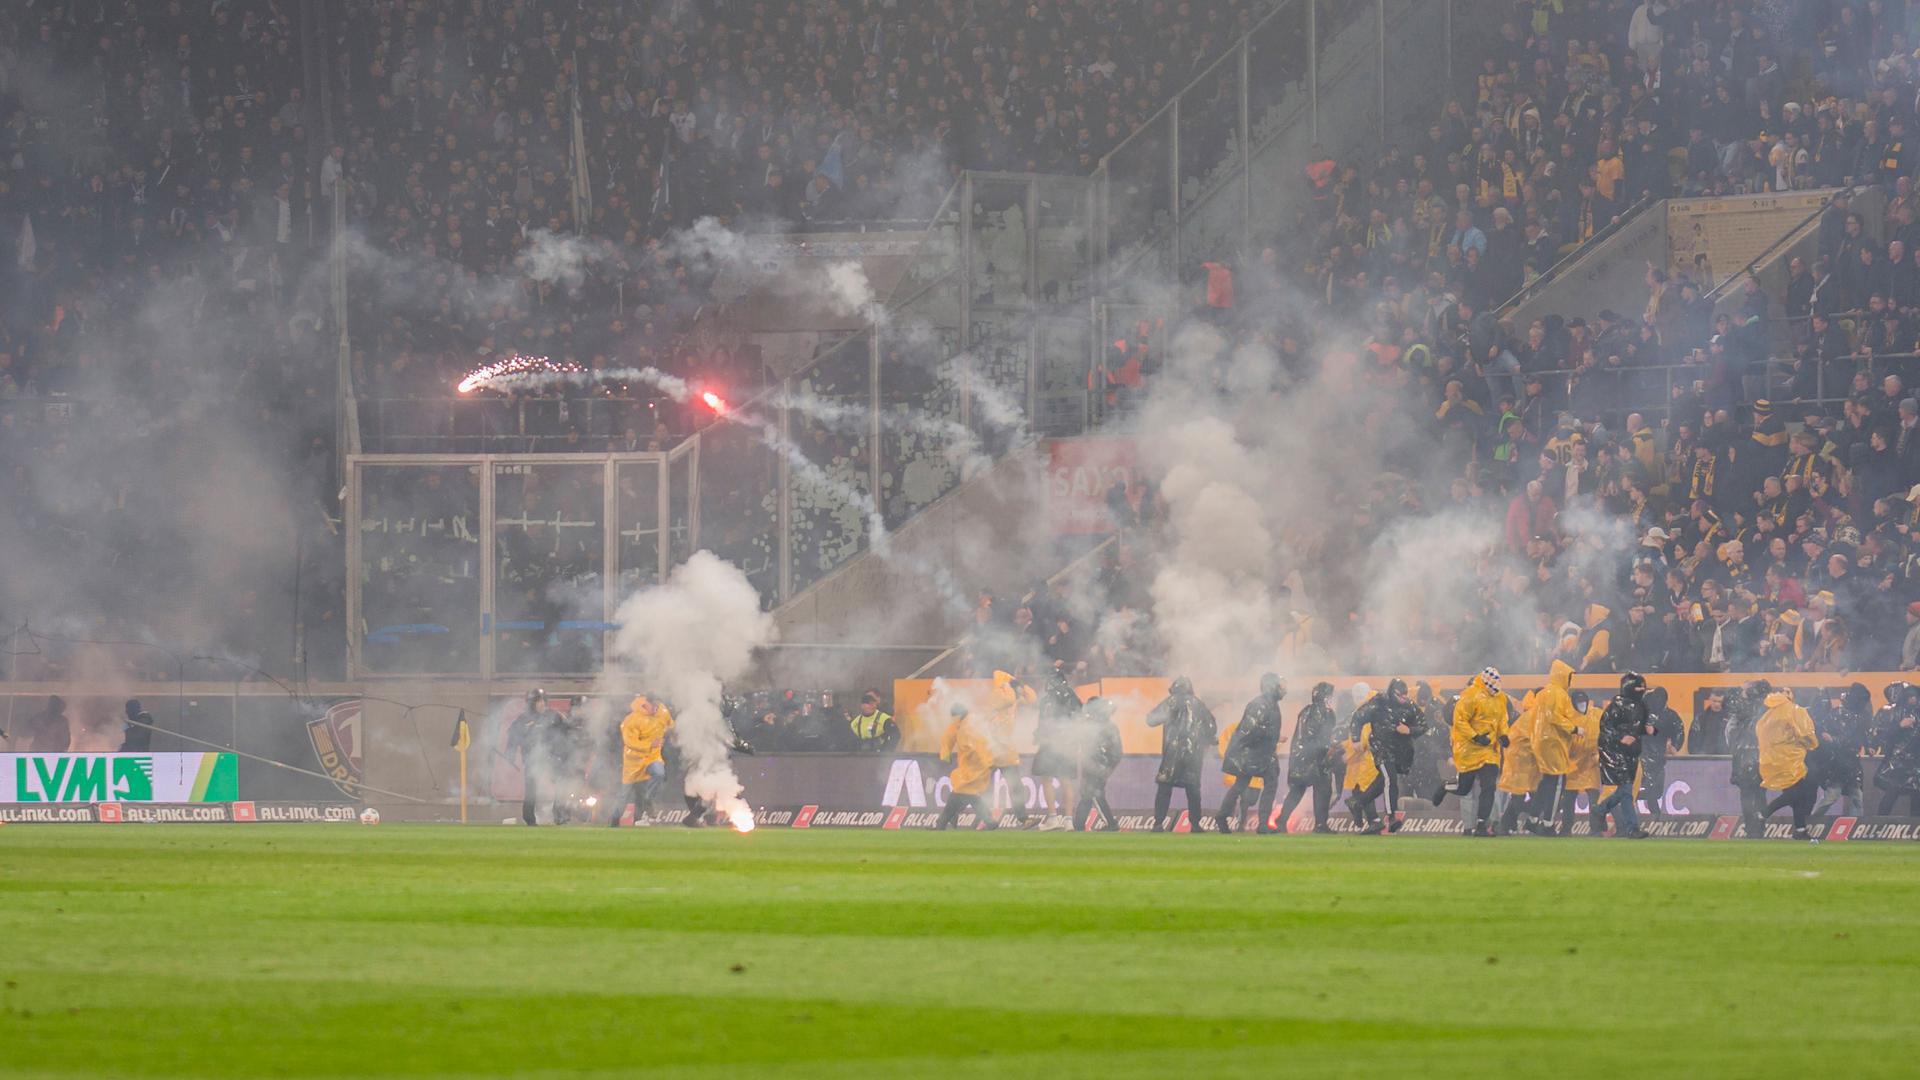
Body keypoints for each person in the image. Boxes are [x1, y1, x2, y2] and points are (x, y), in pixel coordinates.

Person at [1437, 668, 1508, 835]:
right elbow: (1457, 724)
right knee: (1465, 790)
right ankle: (1470, 826)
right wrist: (1475, 737)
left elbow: (1503, 719)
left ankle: (1484, 824)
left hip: (1489, 749)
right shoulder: (1467, 698)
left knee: (1489, 786)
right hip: (1468, 750)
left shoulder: (1499, 698)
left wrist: (1504, 735)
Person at [1353, 679, 1426, 833]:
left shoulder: (1410, 705)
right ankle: (1391, 816)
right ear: (1393, 693)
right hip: (1381, 748)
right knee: (1390, 779)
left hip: (1400, 751)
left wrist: (1410, 730)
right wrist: (1355, 739)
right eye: (1401, 696)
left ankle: (1357, 803)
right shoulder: (1379, 702)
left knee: (1383, 782)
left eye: (1405, 696)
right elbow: (1358, 717)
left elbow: (1424, 725)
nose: (1403, 699)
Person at [1146, 677, 1217, 832]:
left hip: (1172, 752)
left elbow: (1151, 720)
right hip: (1193, 754)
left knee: (1164, 788)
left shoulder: (1170, 701)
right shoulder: (1199, 704)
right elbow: (1211, 727)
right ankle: (1195, 825)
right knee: (1193, 790)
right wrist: (1208, 740)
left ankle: (1158, 823)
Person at [1217, 674, 1285, 834]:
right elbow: (1250, 729)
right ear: (1272, 686)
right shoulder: (1261, 704)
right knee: (1267, 783)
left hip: (1257, 753)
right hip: (1254, 754)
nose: (1283, 689)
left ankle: (1223, 817)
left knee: (1243, 784)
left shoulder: (1267, 703)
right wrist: (1272, 736)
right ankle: (1261, 824)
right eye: (1280, 685)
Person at [1524, 660, 1583, 835]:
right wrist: (1574, 728)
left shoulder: (1543, 693)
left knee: (1546, 783)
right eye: (1570, 676)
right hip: (1553, 743)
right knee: (1557, 783)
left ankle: (1533, 819)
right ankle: (1548, 824)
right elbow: (1554, 717)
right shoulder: (1558, 694)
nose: (1571, 680)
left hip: (1541, 742)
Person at [1593, 672, 1653, 838]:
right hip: (1614, 752)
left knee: (1625, 791)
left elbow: (1634, 729)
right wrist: (1621, 738)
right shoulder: (1616, 706)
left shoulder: (1638, 707)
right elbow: (1605, 728)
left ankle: (1600, 811)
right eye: (1639, 687)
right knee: (1626, 790)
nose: (1642, 690)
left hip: (1630, 753)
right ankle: (1631, 828)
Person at [1277, 681, 1341, 833]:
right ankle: (1320, 824)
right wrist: (1330, 748)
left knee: (1297, 791)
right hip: (1315, 758)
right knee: (1323, 790)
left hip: (1300, 758)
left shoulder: (1305, 711)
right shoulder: (1326, 713)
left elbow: (1303, 736)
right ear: (1326, 697)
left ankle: (1282, 820)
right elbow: (1318, 738)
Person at [1757, 688, 1821, 840]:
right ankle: (1764, 813)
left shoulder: (1767, 714)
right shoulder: (1795, 710)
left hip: (1773, 760)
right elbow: (1806, 733)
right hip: (1792, 760)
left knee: (1795, 795)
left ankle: (1800, 829)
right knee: (1797, 793)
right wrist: (1811, 745)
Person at [1030, 663, 1084, 830]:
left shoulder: (1047, 699)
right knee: (1065, 779)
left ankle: (1053, 817)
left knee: (1046, 778)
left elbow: (1044, 722)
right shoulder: (1072, 696)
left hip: (1050, 743)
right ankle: (1068, 820)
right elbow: (1080, 719)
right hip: (1067, 744)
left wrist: (1038, 736)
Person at [505, 689, 569, 826]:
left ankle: (559, 814)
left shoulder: (554, 716)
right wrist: (510, 753)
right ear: (531, 703)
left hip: (552, 756)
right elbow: (513, 736)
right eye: (538, 701)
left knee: (561, 781)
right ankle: (529, 817)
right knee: (531, 788)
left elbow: (565, 732)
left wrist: (565, 752)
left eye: (543, 701)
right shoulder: (523, 720)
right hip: (532, 758)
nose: (542, 704)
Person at [607, 695, 673, 827]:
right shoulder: (631, 720)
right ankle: (615, 820)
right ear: (644, 704)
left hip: (652, 757)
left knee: (659, 772)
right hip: (634, 761)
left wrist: (672, 734)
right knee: (624, 794)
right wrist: (650, 745)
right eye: (652, 706)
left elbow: (670, 724)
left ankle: (648, 801)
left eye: (656, 706)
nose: (655, 709)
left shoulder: (662, 712)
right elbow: (630, 742)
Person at [986, 670, 1038, 827]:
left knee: (1015, 786)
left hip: (1005, 751)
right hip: (991, 749)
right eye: (1017, 691)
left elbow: (1032, 699)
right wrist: (1008, 684)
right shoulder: (999, 697)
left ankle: (1023, 819)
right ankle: (958, 812)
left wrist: (1020, 684)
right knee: (978, 786)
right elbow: (1006, 698)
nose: (1019, 695)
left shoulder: (1012, 699)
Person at [937, 703, 998, 831]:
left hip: (975, 768)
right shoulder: (965, 723)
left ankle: (941, 823)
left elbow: (979, 746)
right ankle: (988, 820)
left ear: (958, 715)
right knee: (965, 794)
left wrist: (988, 762)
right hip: (973, 767)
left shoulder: (967, 728)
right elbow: (948, 737)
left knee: (962, 792)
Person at [1813, 684, 1870, 817]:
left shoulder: (1859, 717)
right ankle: (1813, 821)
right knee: (1832, 796)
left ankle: (1855, 827)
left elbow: (1857, 736)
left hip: (1851, 762)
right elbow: (1825, 735)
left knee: (1857, 797)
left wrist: (1867, 746)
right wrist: (1833, 740)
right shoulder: (1835, 714)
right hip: (1837, 763)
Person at [1496, 689, 1541, 835]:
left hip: (1524, 759)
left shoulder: (1532, 715)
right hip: (1521, 759)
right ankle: (1509, 824)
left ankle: (1508, 824)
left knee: (1524, 794)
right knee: (1524, 795)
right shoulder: (1535, 716)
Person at [1729, 681, 1771, 838]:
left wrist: (1742, 692)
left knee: (1746, 794)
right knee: (1761, 793)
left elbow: (1730, 727)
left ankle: (1749, 826)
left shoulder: (1743, 706)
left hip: (1742, 755)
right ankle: (1760, 826)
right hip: (1762, 755)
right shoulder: (1770, 709)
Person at [1074, 697, 1123, 831]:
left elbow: (1110, 750)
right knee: (1089, 794)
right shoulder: (1105, 724)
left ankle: (1110, 824)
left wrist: (1102, 766)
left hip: (1097, 763)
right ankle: (1079, 825)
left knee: (1092, 793)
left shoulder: (1098, 725)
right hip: (1099, 763)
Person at [1872, 683, 1920, 816]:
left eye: (1915, 697)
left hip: (1916, 763)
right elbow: (1883, 734)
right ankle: (1879, 825)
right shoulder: (1895, 713)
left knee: (1917, 795)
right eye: (1910, 696)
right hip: (1898, 761)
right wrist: (1900, 725)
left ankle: (1915, 829)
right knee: (1892, 792)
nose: (1913, 700)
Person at [1635, 686, 1682, 819]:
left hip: (1656, 758)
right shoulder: (1642, 714)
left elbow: (1677, 731)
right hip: (1642, 758)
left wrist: (1674, 746)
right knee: (1644, 792)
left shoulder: (1669, 715)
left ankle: (1654, 819)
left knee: (1653, 793)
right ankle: (1647, 819)